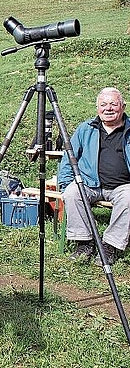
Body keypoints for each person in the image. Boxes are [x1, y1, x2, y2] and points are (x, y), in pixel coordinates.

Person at [58, 87, 130, 266]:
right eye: (103, 104)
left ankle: (110, 246)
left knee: (129, 196)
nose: (108, 108)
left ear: (123, 106)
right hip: (90, 183)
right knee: (72, 192)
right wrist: (65, 183)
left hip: (122, 186)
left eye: (113, 104)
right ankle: (84, 243)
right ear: (97, 108)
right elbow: (70, 155)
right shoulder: (86, 128)